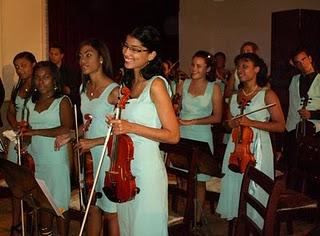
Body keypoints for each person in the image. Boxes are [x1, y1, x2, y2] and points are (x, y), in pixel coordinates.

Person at [108, 25, 179, 236]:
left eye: (136, 50)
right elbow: (112, 98)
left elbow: (173, 135)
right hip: (124, 168)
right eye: (126, 46)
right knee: (129, 228)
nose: (127, 53)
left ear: (152, 54)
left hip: (146, 170)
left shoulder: (156, 84)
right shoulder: (128, 82)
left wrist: (131, 127)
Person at [55, 38, 120, 236]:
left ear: (101, 58)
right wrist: (72, 134)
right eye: (80, 56)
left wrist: (94, 141)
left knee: (110, 213)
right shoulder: (84, 89)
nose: (82, 60)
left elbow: (123, 133)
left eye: (88, 55)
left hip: (108, 155)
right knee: (92, 209)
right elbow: (88, 123)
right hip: (90, 158)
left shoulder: (114, 91)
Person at [216, 53, 285, 229]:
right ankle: (238, 225)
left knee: (256, 190)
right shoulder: (234, 95)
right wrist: (230, 124)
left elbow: (280, 126)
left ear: (257, 69)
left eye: (245, 66)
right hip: (235, 148)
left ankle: (256, 226)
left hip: (258, 149)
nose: (240, 70)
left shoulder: (267, 95)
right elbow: (228, 124)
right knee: (236, 187)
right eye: (238, 67)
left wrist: (252, 123)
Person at [23, 61, 73, 236]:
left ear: (54, 80)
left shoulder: (62, 101)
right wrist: (23, 138)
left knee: (59, 203)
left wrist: (35, 131)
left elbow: (67, 128)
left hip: (56, 159)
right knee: (43, 202)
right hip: (36, 158)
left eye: (45, 77)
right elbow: (28, 129)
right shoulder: (30, 102)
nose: (40, 81)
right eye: (37, 77)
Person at [176, 50, 222, 224]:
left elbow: (217, 117)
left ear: (207, 69)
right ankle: (184, 214)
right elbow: (177, 108)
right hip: (183, 133)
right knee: (184, 176)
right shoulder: (184, 83)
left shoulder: (214, 88)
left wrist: (193, 121)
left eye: (199, 66)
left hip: (201, 134)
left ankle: (195, 220)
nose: (194, 68)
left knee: (200, 180)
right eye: (193, 64)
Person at [6, 51, 36, 236]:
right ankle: (16, 222)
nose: (19, 69)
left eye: (23, 65)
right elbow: (11, 110)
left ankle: (32, 220)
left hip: (32, 139)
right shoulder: (17, 87)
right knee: (14, 182)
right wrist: (14, 123)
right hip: (16, 138)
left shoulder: (41, 85)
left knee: (31, 183)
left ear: (33, 64)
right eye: (17, 66)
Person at [284, 47, 320, 180]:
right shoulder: (294, 79)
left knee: (311, 170)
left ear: (310, 59)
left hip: (315, 132)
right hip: (293, 129)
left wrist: (312, 114)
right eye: (297, 62)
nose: (302, 63)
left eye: (304, 59)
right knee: (293, 167)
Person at [49, 43, 80, 107]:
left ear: (62, 55)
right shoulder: (47, 69)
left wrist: (69, 90)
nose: (53, 57)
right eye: (51, 54)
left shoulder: (70, 71)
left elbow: (76, 89)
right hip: (50, 102)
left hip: (66, 102)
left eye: (56, 54)